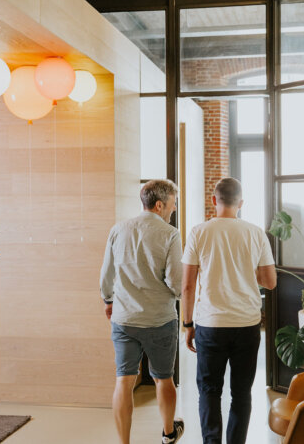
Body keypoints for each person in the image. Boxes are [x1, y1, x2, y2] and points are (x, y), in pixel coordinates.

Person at [181, 177, 276, 444]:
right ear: (241, 204)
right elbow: (270, 281)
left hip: (210, 324)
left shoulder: (199, 232)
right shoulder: (255, 233)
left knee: (210, 391)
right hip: (246, 324)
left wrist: (188, 325)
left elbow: (187, 286)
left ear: (214, 200)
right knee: (241, 393)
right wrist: (247, 272)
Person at [100, 179, 185, 444]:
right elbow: (175, 281)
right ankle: (169, 433)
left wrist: (108, 300)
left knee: (124, 381)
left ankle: (124, 442)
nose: (172, 210)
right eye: (172, 204)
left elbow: (106, 276)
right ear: (160, 204)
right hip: (159, 320)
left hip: (124, 319)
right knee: (164, 379)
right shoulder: (170, 234)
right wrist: (186, 295)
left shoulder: (118, 229)